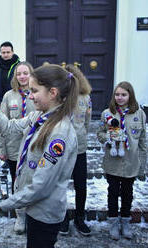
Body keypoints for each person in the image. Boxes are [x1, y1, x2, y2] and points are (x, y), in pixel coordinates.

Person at [0, 64, 79, 248]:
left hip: (45, 213)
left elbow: (40, 187)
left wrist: (1, 205)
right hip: (33, 208)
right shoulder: (38, 116)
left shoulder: (59, 133)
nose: (30, 96)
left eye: (34, 91)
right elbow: (9, 128)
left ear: (52, 92)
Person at [97, 81, 147, 240]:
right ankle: (113, 222)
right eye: (117, 94)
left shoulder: (139, 114)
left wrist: (142, 165)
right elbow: (100, 133)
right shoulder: (107, 113)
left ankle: (125, 222)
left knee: (127, 193)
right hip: (113, 163)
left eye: (123, 94)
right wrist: (108, 138)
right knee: (112, 193)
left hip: (131, 163)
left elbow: (143, 141)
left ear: (130, 95)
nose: (120, 97)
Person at [0, 61, 35, 234]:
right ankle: (20, 216)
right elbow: (1, 123)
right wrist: (2, 149)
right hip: (14, 147)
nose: (22, 76)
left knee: (34, 181)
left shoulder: (38, 94)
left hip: (35, 147)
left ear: (31, 74)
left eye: (25, 73)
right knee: (17, 182)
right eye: (19, 73)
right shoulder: (8, 96)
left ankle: (34, 214)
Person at [59, 64, 92, 236]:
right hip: (62, 148)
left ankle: (79, 218)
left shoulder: (85, 97)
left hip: (79, 148)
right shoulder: (59, 97)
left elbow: (86, 122)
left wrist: (81, 136)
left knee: (81, 185)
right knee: (61, 184)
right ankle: (62, 217)